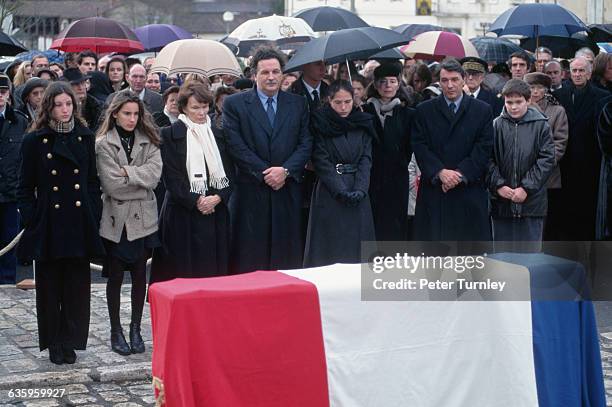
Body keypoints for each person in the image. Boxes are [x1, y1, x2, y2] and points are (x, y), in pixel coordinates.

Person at [16, 82, 104, 365]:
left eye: (69, 104)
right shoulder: (35, 140)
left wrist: (93, 211)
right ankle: (54, 340)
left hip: (78, 221)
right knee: (50, 286)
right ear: (49, 107)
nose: (64, 110)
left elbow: (92, 181)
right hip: (49, 224)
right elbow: (24, 187)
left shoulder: (85, 137)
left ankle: (71, 339)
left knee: (77, 285)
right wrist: (33, 218)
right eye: (58, 105)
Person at [223, 45, 312, 273]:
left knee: (286, 257)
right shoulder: (235, 104)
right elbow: (236, 145)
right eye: (265, 72)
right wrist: (266, 173)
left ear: (283, 73)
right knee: (250, 258)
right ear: (254, 75)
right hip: (251, 192)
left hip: (287, 190)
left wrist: (285, 171)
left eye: (275, 71)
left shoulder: (298, 104)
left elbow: (305, 143)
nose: (271, 77)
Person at [96, 91, 161, 356]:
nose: (132, 119)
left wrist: (127, 173)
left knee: (138, 276)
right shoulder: (103, 143)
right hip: (115, 219)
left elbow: (154, 177)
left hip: (144, 218)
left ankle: (135, 328)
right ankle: (116, 330)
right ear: (115, 114)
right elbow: (112, 186)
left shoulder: (150, 140)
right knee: (114, 276)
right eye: (127, 113)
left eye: (136, 114)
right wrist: (138, 179)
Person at [151, 82, 233, 283]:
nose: (201, 112)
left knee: (214, 275)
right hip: (182, 214)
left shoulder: (218, 133)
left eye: (205, 106)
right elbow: (171, 177)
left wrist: (217, 197)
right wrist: (197, 200)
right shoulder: (169, 134)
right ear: (184, 108)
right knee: (183, 273)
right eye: (195, 107)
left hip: (215, 212)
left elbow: (229, 172)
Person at [412, 59, 494, 241]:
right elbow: (419, 145)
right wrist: (439, 171)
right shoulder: (424, 110)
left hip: (468, 190)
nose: (450, 85)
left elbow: (484, 147)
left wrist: (460, 174)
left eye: (455, 79)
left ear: (464, 79)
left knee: (468, 258)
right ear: (439, 82)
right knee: (434, 257)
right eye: (445, 80)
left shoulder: (482, 110)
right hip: (435, 191)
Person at [304, 80, 375, 266]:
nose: (343, 107)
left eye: (348, 102)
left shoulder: (363, 122)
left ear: (354, 100)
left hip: (359, 189)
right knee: (329, 244)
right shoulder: (320, 123)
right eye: (338, 102)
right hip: (330, 190)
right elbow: (321, 160)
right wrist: (339, 190)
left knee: (357, 244)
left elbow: (366, 159)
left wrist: (361, 188)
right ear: (329, 100)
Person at [488, 79, 555, 244]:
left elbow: (547, 159)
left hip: (532, 205)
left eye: (518, 102)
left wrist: (526, 187)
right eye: (509, 102)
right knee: (503, 259)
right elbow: (487, 159)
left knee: (529, 260)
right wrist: (498, 185)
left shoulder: (541, 125)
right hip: (502, 204)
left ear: (528, 100)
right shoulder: (496, 125)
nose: (513, 107)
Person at [553, 56, 610, 240]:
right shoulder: (559, 96)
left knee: (588, 217)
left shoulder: (603, 97)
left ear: (589, 73)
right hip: (565, 165)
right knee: (565, 217)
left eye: (581, 71)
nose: (577, 74)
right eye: (574, 71)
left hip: (590, 165)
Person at [363, 61, 414, 241]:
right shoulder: (364, 111)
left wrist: (399, 161)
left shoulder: (407, 113)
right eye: (383, 81)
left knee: (395, 224)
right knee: (373, 222)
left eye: (392, 81)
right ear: (375, 84)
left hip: (396, 176)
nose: (388, 86)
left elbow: (409, 146)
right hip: (372, 176)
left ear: (399, 84)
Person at [523, 73, 568, 241]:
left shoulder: (557, 110)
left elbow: (560, 142)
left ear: (546, 89)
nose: (535, 92)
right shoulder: (520, 107)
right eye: (531, 88)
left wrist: (543, 164)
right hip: (522, 173)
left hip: (547, 176)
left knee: (544, 222)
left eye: (539, 88)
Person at [0, 75, 28, 284]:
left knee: (10, 238)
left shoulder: (20, 121)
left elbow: (25, 158)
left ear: (8, 94)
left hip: (10, 191)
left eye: (2, 92)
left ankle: (7, 281)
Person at [59, 68, 102, 132]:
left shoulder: (98, 106)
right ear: (66, 87)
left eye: (82, 83)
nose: (80, 88)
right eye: (75, 84)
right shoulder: (60, 108)